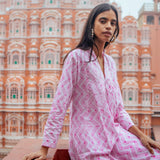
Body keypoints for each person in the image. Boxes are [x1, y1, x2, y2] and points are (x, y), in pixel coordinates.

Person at [23, 3, 160, 160]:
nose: (108, 26)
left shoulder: (109, 63)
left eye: (112, 23)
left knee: (154, 154)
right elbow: (60, 104)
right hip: (87, 137)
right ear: (91, 25)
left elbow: (119, 110)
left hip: (113, 134)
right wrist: (44, 149)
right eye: (103, 21)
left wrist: (142, 136)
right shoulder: (77, 58)